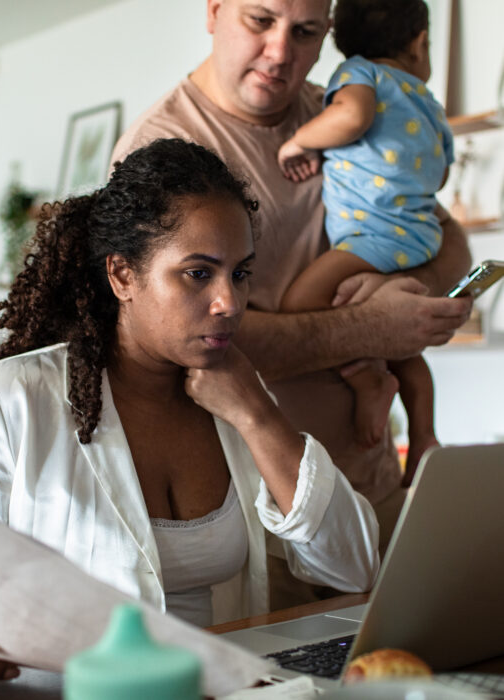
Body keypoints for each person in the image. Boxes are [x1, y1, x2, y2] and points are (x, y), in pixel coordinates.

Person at [0, 139, 380, 695]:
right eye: (198, 274)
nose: (229, 302)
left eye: (241, 273)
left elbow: (353, 567)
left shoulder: (238, 401)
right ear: (123, 276)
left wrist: (257, 416)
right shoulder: (12, 399)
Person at [110, 0, 472, 599]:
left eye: (305, 32)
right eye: (260, 21)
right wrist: (373, 330)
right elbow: (198, 341)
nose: (282, 54)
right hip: (261, 515)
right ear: (215, 11)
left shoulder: (345, 107)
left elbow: (443, 234)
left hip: (372, 482)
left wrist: (410, 300)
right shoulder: (163, 146)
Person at [276, 0, 448, 483]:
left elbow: (350, 118)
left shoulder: (360, 73)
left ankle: (366, 378)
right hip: (419, 236)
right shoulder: (426, 101)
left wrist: (301, 142)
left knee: (300, 302)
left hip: (371, 238)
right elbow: (443, 169)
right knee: (404, 343)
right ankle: (424, 436)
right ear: (418, 42)